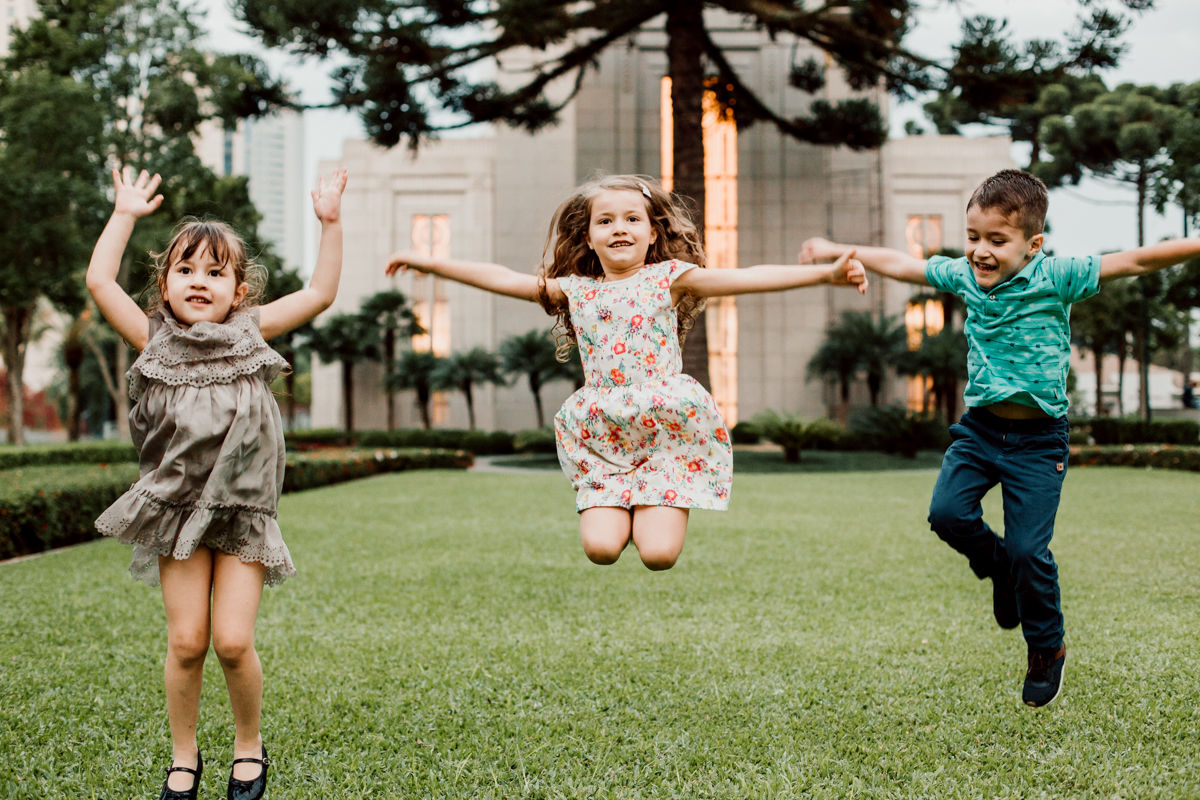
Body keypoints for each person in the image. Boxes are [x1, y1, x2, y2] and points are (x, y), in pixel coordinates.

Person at [801, 169, 1200, 707]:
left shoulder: (1058, 276)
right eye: (972, 237)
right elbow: (901, 263)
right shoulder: (966, 276)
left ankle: (1047, 648)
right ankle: (998, 568)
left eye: (996, 240)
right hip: (981, 430)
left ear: (1033, 245)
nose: (980, 251)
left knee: (1030, 551)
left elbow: (1137, 261)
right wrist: (835, 249)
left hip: (1038, 441)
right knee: (947, 514)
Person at [387, 174, 867, 571]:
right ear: (589, 237)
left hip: (665, 432)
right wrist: (430, 262)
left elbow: (747, 278)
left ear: (653, 233)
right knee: (600, 549)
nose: (619, 228)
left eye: (632, 219)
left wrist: (825, 275)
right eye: (606, 221)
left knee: (658, 555)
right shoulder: (576, 290)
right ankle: (625, 500)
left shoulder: (670, 279)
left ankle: (654, 501)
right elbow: (503, 278)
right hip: (605, 436)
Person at [88, 165, 347, 799]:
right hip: (175, 510)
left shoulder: (250, 333)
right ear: (165, 285)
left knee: (232, 642)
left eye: (215, 272)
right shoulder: (152, 338)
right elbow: (99, 281)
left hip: (241, 512)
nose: (199, 281)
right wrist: (124, 213)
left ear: (239, 291)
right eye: (185, 269)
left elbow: (319, 293)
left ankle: (248, 745)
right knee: (187, 641)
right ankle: (184, 757)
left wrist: (330, 223)